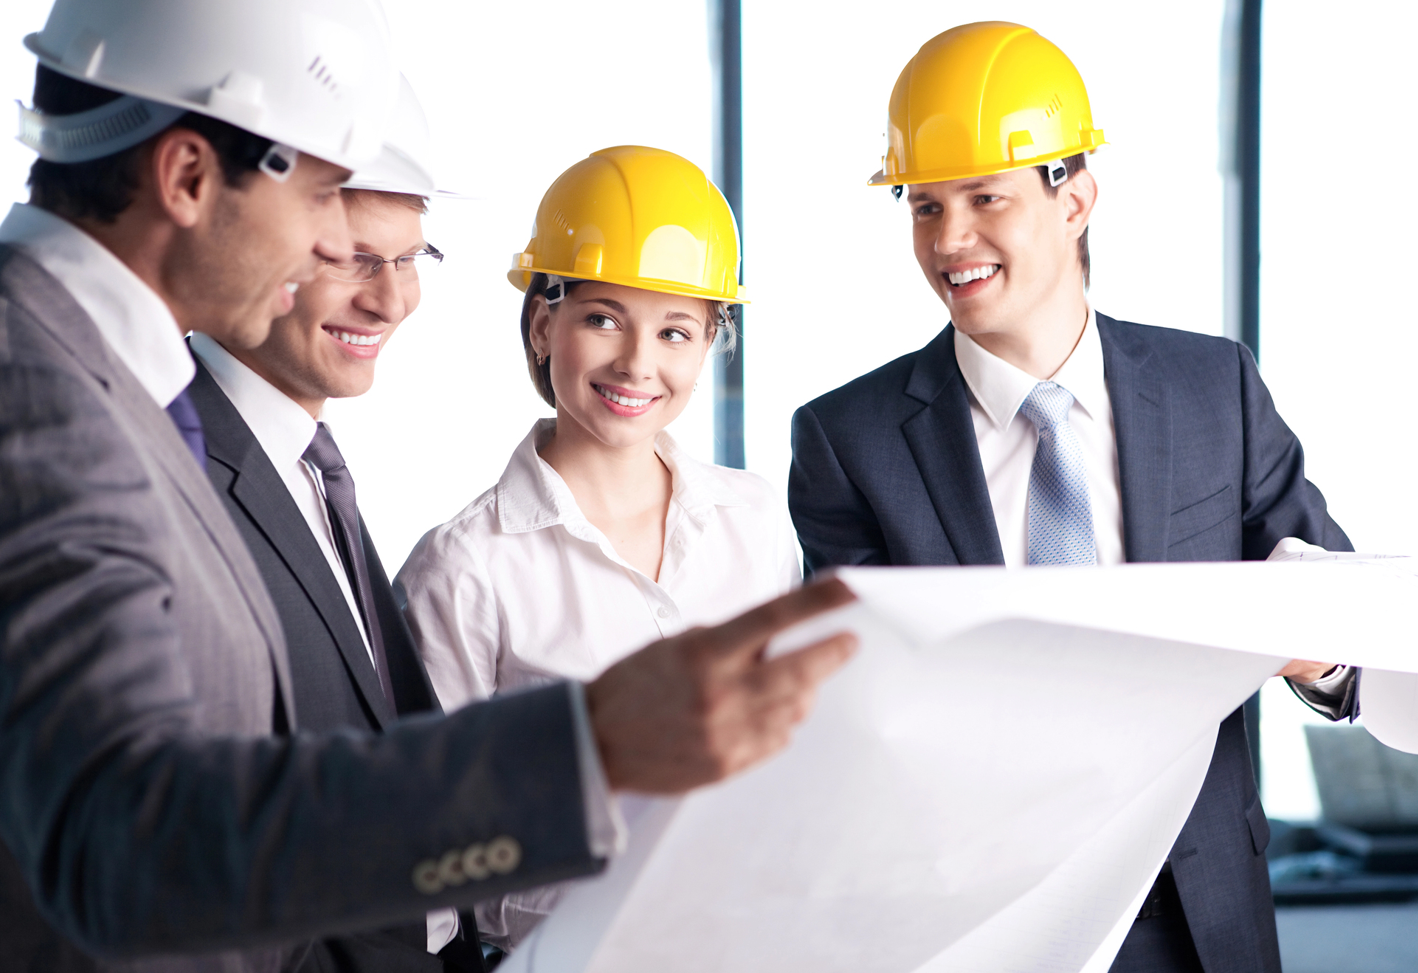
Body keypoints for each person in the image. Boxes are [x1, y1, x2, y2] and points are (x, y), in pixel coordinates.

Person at [0, 3, 856, 970]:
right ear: (189, 176)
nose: (336, 250)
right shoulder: (37, 393)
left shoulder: (115, 389)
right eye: (327, 197)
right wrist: (589, 750)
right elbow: (126, 844)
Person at [787, 22, 1353, 973]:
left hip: (1201, 908)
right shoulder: (848, 439)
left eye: (984, 198)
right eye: (923, 207)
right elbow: (862, 706)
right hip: (983, 919)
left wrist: (1320, 655)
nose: (948, 240)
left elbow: (1339, 614)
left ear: (1075, 199)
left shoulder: (1213, 385)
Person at [397, 146, 801, 950]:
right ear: (544, 325)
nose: (637, 364)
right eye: (602, 317)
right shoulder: (465, 567)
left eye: (676, 330)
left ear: (711, 342)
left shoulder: (752, 521)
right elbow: (428, 847)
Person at [185, 78, 486, 972]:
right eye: (353, 258)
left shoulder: (307, 467)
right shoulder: (174, 467)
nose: (391, 301)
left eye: (412, 258)